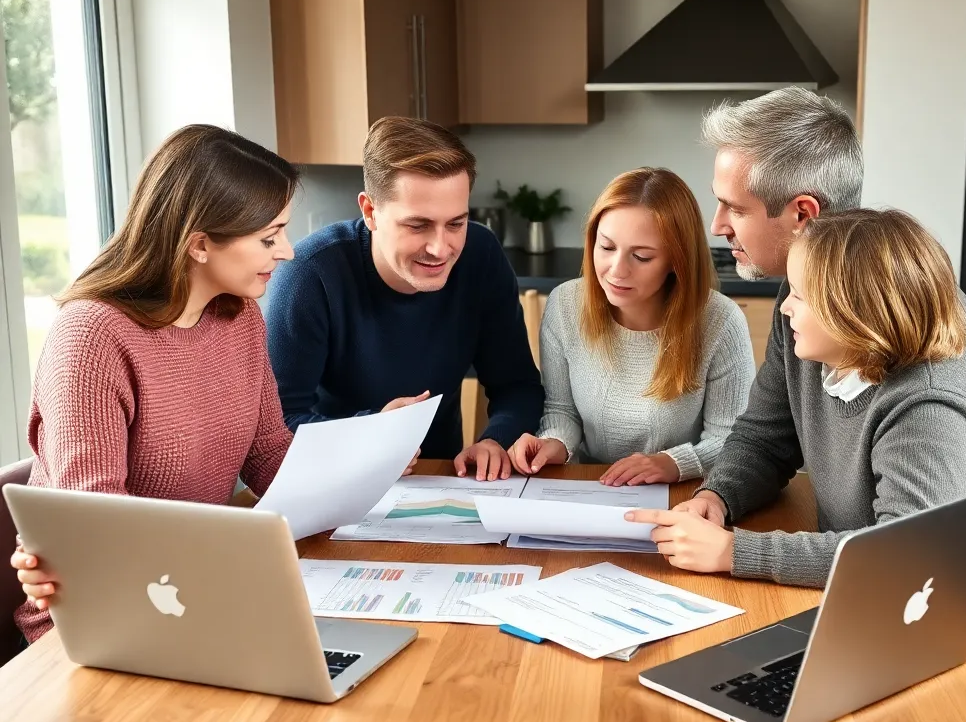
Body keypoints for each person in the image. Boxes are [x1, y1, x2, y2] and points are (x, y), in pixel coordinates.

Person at [627, 209, 966, 627]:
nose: (785, 309)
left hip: (944, 614)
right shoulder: (832, 351)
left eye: (800, 295)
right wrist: (716, 497)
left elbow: (903, 557)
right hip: (857, 582)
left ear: (852, 312)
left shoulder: (929, 404)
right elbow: (765, 440)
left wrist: (734, 552)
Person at [10, 125, 299, 643]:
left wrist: (364, 465)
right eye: (269, 237)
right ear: (200, 244)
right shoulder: (92, 338)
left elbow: (269, 454)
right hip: (106, 622)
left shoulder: (239, 319)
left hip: (201, 590)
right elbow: (97, 530)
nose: (288, 252)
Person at [265, 116, 544, 482]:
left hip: (444, 481)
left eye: (456, 223)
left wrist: (496, 439)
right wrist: (371, 433)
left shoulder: (481, 254)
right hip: (336, 484)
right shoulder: (309, 275)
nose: (440, 247)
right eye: (417, 225)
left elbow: (517, 385)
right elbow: (276, 427)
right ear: (370, 212)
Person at [508, 168, 755, 484]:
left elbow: (733, 440)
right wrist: (552, 444)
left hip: (685, 491)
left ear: (676, 261)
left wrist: (671, 464)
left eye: (641, 256)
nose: (617, 270)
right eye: (607, 247)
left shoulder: (720, 321)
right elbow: (562, 412)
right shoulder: (565, 304)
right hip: (592, 486)